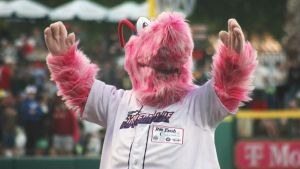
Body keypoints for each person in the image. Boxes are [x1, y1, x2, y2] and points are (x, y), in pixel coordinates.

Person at [44, 12, 257, 169]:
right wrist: (65, 61)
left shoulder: (198, 103)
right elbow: (82, 90)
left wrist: (233, 61)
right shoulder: (118, 102)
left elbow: (227, 87)